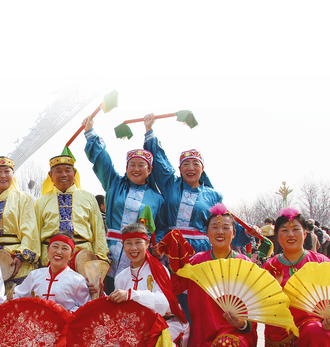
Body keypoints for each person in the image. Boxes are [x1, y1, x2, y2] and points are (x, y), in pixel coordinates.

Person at [169, 204, 258, 347]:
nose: (220, 232)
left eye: (226, 227)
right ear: (207, 233)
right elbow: (176, 287)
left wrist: (243, 324)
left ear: (234, 233)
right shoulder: (196, 262)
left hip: (233, 333)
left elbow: (256, 305)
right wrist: (174, 260)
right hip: (202, 337)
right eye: (215, 227)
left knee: (227, 345)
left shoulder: (244, 264)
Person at [263, 208, 330, 347]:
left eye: (296, 229)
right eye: (284, 230)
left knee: (316, 331)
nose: (291, 234)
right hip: (281, 332)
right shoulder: (269, 267)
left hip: (312, 325)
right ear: (277, 237)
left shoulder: (320, 262)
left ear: (305, 233)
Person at [83, 115, 165, 290]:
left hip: (138, 255)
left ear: (150, 169)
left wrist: (159, 244)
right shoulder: (114, 184)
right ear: (126, 168)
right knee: (106, 293)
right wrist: (90, 132)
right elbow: (103, 162)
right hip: (110, 252)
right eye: (132, 165)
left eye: (141, 165)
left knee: (134, 294)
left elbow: (161, 227)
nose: (136, 169)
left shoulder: (157, 199)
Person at [143, 114, 241, 252]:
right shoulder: (171, 185)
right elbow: (160, 161)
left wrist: (250, 231)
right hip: (171, 246)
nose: (190, 168)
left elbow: (226, 222)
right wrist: (149, 129)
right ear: (180, 169)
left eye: (195, 164)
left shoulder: (213, 195)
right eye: (186, 164)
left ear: (202, 169)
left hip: (201, 250)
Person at [108, 223, 189, 347]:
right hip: (133, 329)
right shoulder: (120, 278)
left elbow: (164, 304)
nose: (133, 248)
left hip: (164, 325)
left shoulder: (160, 270)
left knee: (154, 346)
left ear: (147, 244)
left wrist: (132, 295)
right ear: (123, 245)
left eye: (138, 242)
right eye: (128, 243)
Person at [35, 155, 109, 266]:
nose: (64, 174)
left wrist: (101, 257)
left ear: (74, 173)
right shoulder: (41, 201)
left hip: (83, 257)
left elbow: (99, 230)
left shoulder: (88, 198)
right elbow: (35, 234)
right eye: (58, 171)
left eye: (67, 170)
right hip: (50, 258)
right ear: (50, 176)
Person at [0, 156, 40, 291]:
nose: (3, 176)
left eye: (7, 171)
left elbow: (30, 230)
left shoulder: (23, 198)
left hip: (18, 260)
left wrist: (20, 256)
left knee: (19, 301)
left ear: (13, 174)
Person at [12, 232, 91, 311]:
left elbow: (86, 309)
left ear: (71, 255)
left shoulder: (78, 280)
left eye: (64, 248)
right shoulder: (34, 275)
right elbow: (16, 296)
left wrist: (67, 312)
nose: (58, 252)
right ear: (48, 249)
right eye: (55, 246)